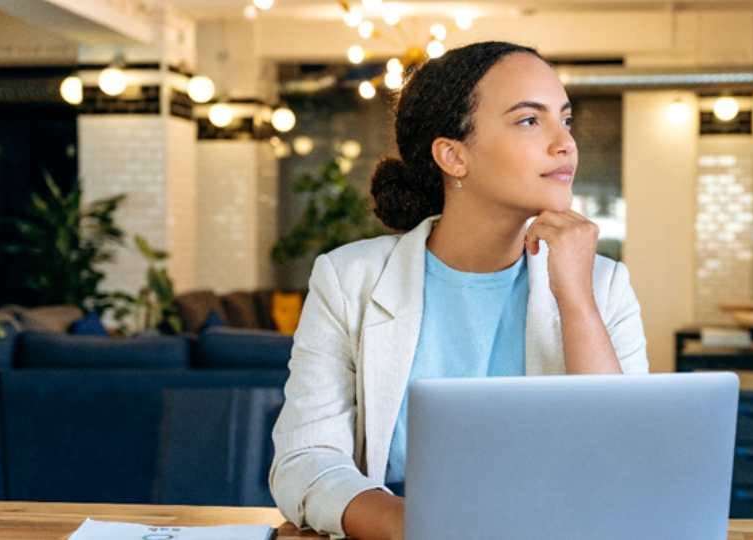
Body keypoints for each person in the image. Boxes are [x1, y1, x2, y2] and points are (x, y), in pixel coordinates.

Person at [270, 41, 648, 540]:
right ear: (453, 155)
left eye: (566, 119)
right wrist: (415, 525)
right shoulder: (348, 279)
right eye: (530, 121)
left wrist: (576, 299)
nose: (565, 144)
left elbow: (624, 470)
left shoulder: (603, 283)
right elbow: (304, 460)